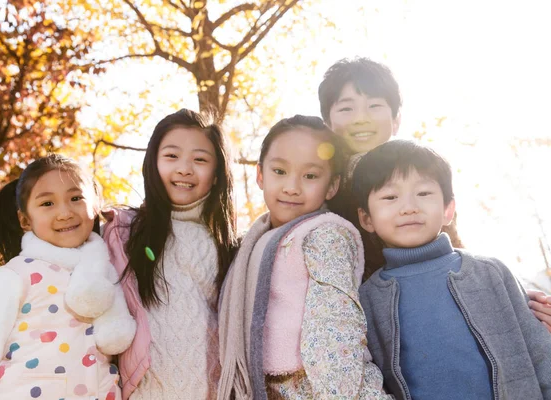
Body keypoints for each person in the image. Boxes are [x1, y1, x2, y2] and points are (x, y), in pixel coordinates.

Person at [319, 56, 551, 330]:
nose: (361, 118)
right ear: (327, 123)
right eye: (346, 108)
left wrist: (513, 298)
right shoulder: (321, 185)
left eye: (374, 105)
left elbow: (454, 253)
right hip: (361, 325)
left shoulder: (425, 173)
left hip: (431, 312)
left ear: (396, 120)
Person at [352, 140, 551, 399]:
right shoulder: (367, 299)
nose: (409, 207)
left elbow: (540, 352)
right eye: (390, 197)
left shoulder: (490, 272)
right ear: (367, 218)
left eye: (423, 193)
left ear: (448, 209)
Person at [218, 115, 391, 399]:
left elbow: (335, 325)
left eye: (310, 176)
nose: (292, 187)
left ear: (332, 186)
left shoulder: (325, 235)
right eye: (280, 171)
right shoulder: (258, 240)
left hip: (324, 388)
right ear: (260, 175)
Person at [0, 154, 135, 400]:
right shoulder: (14, 275)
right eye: (48, 204)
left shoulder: (106, 270)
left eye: (76, 198)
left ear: (94, 204)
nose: (65, 212)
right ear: (25, 220)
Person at [101, 109, 238, 399]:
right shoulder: (124, 231)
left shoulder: (227, 246)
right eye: (172, 156)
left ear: (216, 175)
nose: (184, 169)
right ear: (153, 164)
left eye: (200, 159)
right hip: (145, 390)